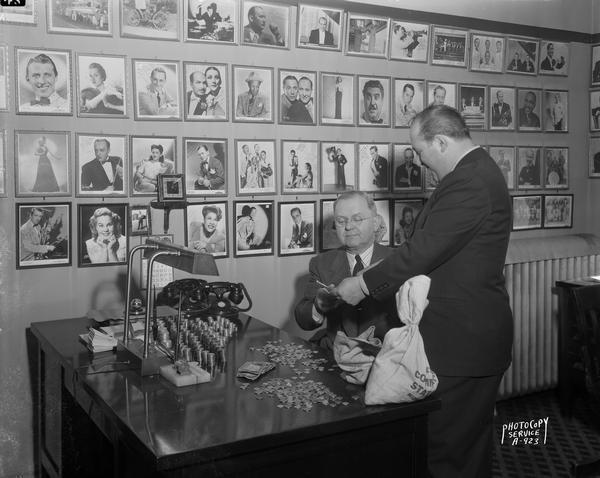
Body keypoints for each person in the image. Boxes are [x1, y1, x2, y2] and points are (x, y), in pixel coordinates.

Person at [333, 105, 513, 478]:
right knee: (454, 450)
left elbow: (423, 251)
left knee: (449, 454)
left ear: (442, 141)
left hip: (463, 343)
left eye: (419, 151)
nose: (419, 161)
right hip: (455, 339)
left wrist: (362, 283)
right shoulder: (472, 174)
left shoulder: (470, 181)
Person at [294, 191, 399, 351]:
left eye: (357, 219)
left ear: (376, 223)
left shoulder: (398, 261)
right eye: (341, 221)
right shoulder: (321, 263)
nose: (349, 226)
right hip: (335, 356)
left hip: (386, 358)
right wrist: (319, 305)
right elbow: (304, 319)